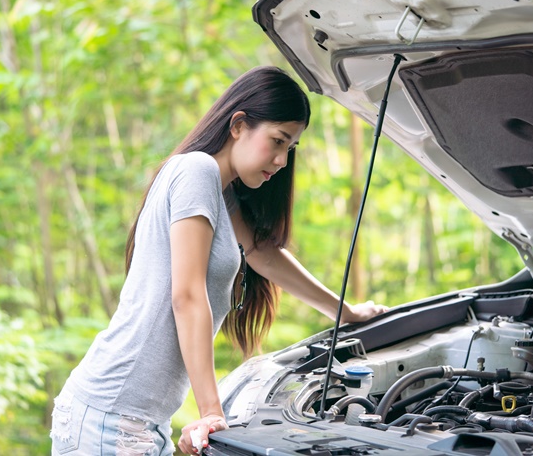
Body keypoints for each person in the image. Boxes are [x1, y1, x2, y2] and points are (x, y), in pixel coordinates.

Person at [50, 66, 389, 455]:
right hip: (110, 417)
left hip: (138, 418)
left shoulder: (221, 192)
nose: (281, 160)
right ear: (239, 125)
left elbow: (263, 254)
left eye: (290, 148)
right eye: (277, 141)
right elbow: (188, 296)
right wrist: (211, 411)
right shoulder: (197, 170)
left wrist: (345, 312)